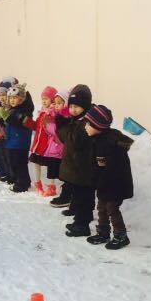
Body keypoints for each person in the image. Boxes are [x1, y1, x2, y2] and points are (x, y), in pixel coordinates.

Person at [84, 104, 134, 250]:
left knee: (112, 208)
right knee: (101, 207)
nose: (85, 127)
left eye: (89, 124)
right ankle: (103, 232)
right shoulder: (97, 139)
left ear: (98, 126)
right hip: (104, 183)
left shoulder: (111, 144)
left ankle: (121, 235)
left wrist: (101, 181)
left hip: (116, 184)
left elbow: (113, 168)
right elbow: (96, 164)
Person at [56, 85, 96, 237]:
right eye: (71, 106)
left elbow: (72, 140)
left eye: (76, 107)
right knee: (81, 195)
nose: (72, 110)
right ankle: (81, 218)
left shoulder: (85, 122)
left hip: (83, 168)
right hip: (77, 166)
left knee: (83, 197)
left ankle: (81, 225)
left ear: (85, 106)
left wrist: (61, 126)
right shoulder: (77, 119)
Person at [29, 86, 61, 197]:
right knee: (36, 163)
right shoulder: (42, 112)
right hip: (38, 143)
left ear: (52, 100)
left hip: (47, 145)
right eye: (42, 98)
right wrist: (26, 121)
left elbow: (53, 129)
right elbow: (36, 127)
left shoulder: (53, 112)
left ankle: (52, 186)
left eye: (46, 99)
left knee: (50, 165)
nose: (43, 101)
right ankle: (38, 183)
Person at [4, 83, 36, 193]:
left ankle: (21, 184)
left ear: (21, 99)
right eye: (10, 98)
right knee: (14, 162)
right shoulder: (12, 109)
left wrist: (11, 117)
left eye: (15, 98)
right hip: (12, 140)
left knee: (19, 162)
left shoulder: (24, 110)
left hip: (20, 142)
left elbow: (25, 124)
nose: (12, 100)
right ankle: (24, 180)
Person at [48, 90, 73, 207]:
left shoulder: (66, 117)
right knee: (66, 173)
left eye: (59, 103)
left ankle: (67, 196)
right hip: (62, 149)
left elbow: (61, 134)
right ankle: (66, 195)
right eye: (55, 103)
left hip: (65, 149)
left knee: (68, 174)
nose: (56, 105)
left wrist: (55, 121)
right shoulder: (58, 115)